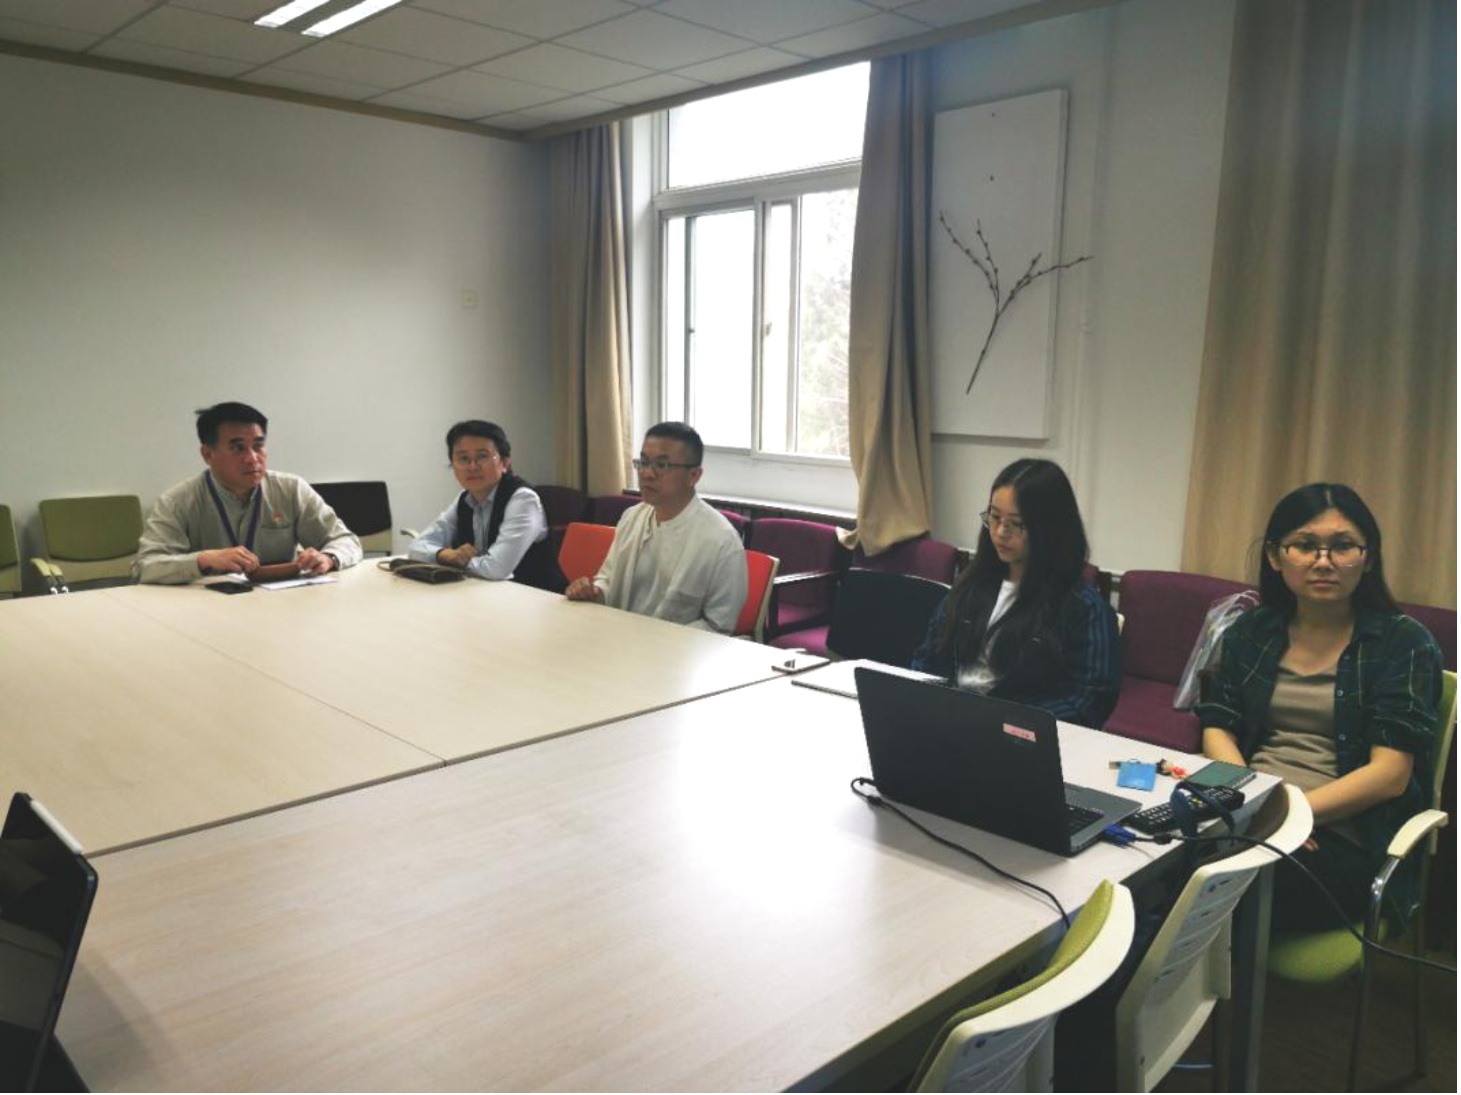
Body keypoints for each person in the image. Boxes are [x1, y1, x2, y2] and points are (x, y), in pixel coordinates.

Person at [1196, 483, 1440, 931]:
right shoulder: (1252, 630)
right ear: (1276, 556)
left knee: (1218, 886)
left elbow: (1390, 775)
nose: (1323, 561)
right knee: (1151, 856)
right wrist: (1253, 806)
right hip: (1251, 811)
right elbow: (1218, 725)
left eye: (1343, 546)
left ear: (1368, 558)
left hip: (1344, 834)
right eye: (1305, 545)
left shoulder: (1402, 642)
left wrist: (1291, 814)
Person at [911, 458, 1120, 729]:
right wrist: (921, 700)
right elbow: (929, 656)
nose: (1000, 532)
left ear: (1050, 528)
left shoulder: (1084, 607)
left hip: (1020, 737)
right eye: (995, 517)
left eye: (1016, 524)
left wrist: (1005, 723)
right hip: (952, 722)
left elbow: (1090, 700)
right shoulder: (971, 585)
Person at [133, 402, 362, 584]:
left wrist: (329, 557)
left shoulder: (291, 489)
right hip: (207, 609)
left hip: (284, 602)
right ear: (208, 455)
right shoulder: (177, 502)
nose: (252, 458)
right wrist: (202, 560)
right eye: (237, 448)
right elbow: (144, 567)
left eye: (258, 446)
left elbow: (346, 541)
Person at [565, 422, 746, 634]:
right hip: (620, 638)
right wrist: (593, 593)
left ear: (694, 476)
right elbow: (608, 580)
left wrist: (657, 640)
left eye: (662, 465)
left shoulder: (722, 540)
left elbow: (718, 625)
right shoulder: (632, 517)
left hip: (678, 650)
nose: (647, 473)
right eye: (643, 462)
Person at [406, 420, 549, 583]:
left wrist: (452, 561)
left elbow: (496, 569)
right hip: (482, 591)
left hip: (531, 594)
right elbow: (416, 547)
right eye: (463, 458)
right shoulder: (464, 499)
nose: (472, 467)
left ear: (504, 463)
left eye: (482, 456)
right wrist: (442, 554)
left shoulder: (523, 499)